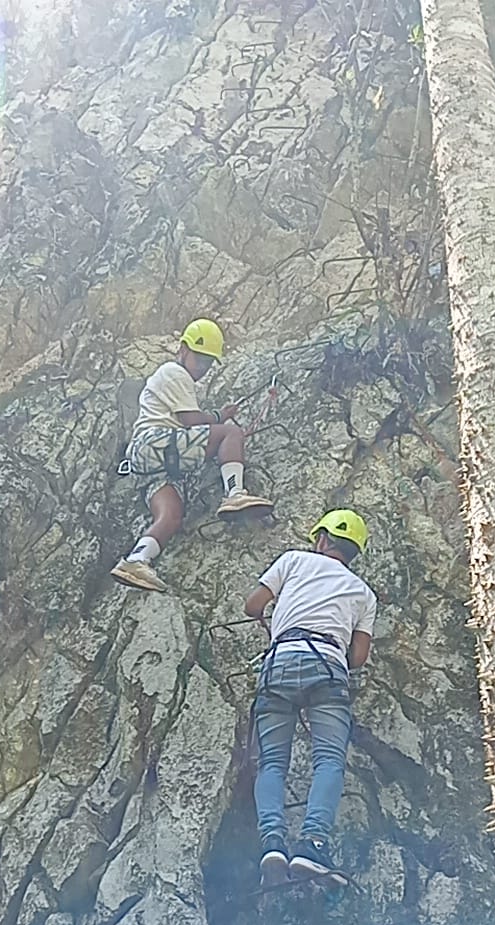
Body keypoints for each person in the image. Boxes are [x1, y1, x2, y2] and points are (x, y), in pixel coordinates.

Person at [244, 509, 377, 887]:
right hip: (328, 667)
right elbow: (359, 658)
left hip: (280, 662)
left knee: (272, 760)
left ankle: (272, 843)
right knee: (329, 760)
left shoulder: (292, 560)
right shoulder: (363, 594)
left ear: (321, 539)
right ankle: (312, 844)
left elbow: (253, 605)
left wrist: (278, 625)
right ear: (354, 551)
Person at [111, 319, 273, 592]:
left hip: (148, 462)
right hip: (155, 444)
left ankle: (137, 559)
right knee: (230, 434)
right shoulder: (174, 372)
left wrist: (218, 417)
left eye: (209, 364)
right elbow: (192, 421)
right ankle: (235, 494)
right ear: (184, 349)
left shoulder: (175, 377)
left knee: (171, 516)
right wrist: (222, 417)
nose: (203, 368)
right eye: (201, 359)